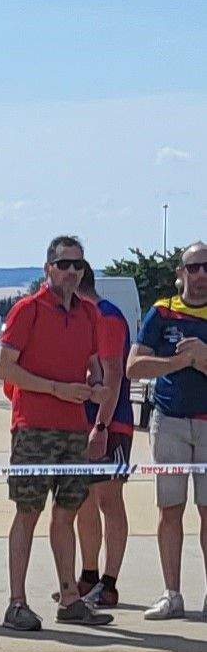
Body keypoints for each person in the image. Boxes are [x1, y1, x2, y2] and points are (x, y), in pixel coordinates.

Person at [0, 236, 117, 630]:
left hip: (73, 430)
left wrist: (94, 389)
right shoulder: (27, 309)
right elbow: (4, 368)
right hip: (33, 428)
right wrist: (56, 389)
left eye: (78, 265)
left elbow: (94, 364)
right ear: (48, 267)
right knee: (27, 512)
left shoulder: (88, 314)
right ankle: (16, 602)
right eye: (64, 263)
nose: (71, 271)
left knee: (66, 513)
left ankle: (69, 598)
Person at [128, 240, 207, 619]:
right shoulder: (161, 312)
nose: (201, 275)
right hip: (170, 421)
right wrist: (178, 362)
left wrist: (203, 361)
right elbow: (134, 367)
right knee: (170, 508)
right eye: (193, 267)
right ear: (181, 273)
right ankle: (171, 593)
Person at [70, 269, 133, 608]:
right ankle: (89, 575)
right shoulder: (84, 319)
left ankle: (109, 582)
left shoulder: (106, 317)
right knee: (84, 500)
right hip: (82, 422)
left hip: (112, 423)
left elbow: (113, 378)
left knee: (109, 499)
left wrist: (102, 426)